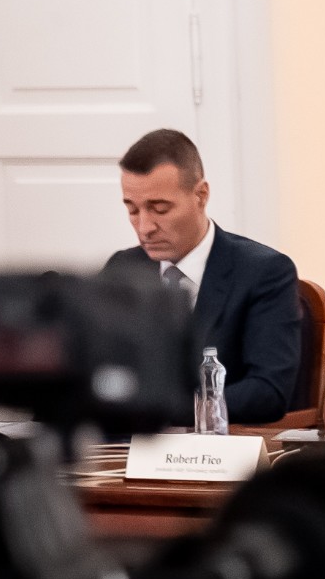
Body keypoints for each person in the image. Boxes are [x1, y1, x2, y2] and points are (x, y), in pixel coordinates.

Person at [102, 128, 305, 424]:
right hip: (125, 443)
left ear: (201, 195)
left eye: (160, 209)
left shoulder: (264, 272)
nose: (144, 227)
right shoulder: (123, 268)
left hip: (217, 445)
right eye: (133, 210)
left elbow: (267, 392)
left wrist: (164, 410)